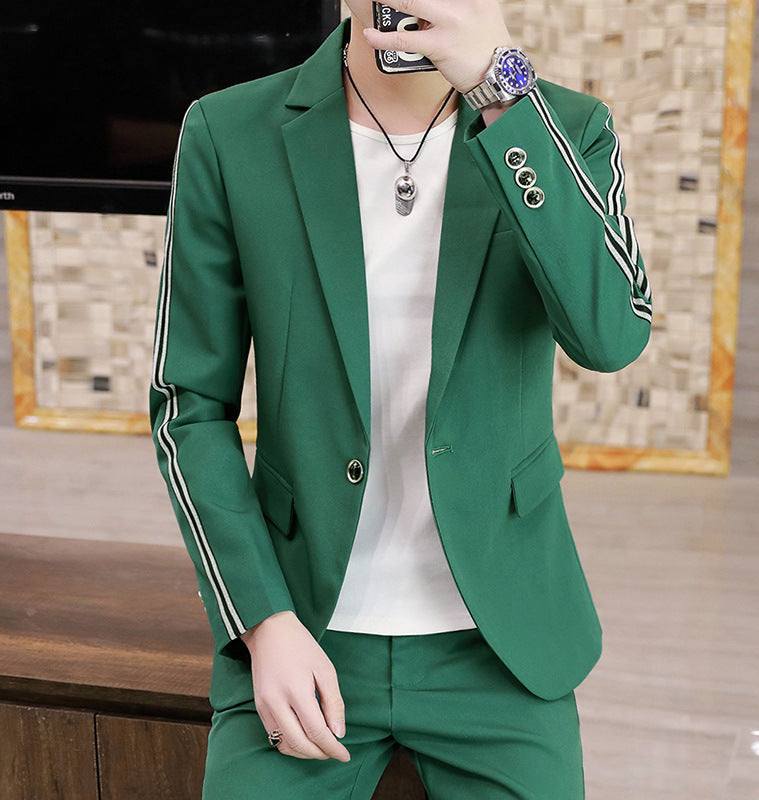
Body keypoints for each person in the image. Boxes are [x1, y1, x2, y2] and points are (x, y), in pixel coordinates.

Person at [149, 0, 653, 797]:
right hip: (301, 623)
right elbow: (188, 408)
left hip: (501, 643)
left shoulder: (564, 128)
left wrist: (504, 94)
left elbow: (611, 335)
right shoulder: (228, 132)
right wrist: (263, 622)